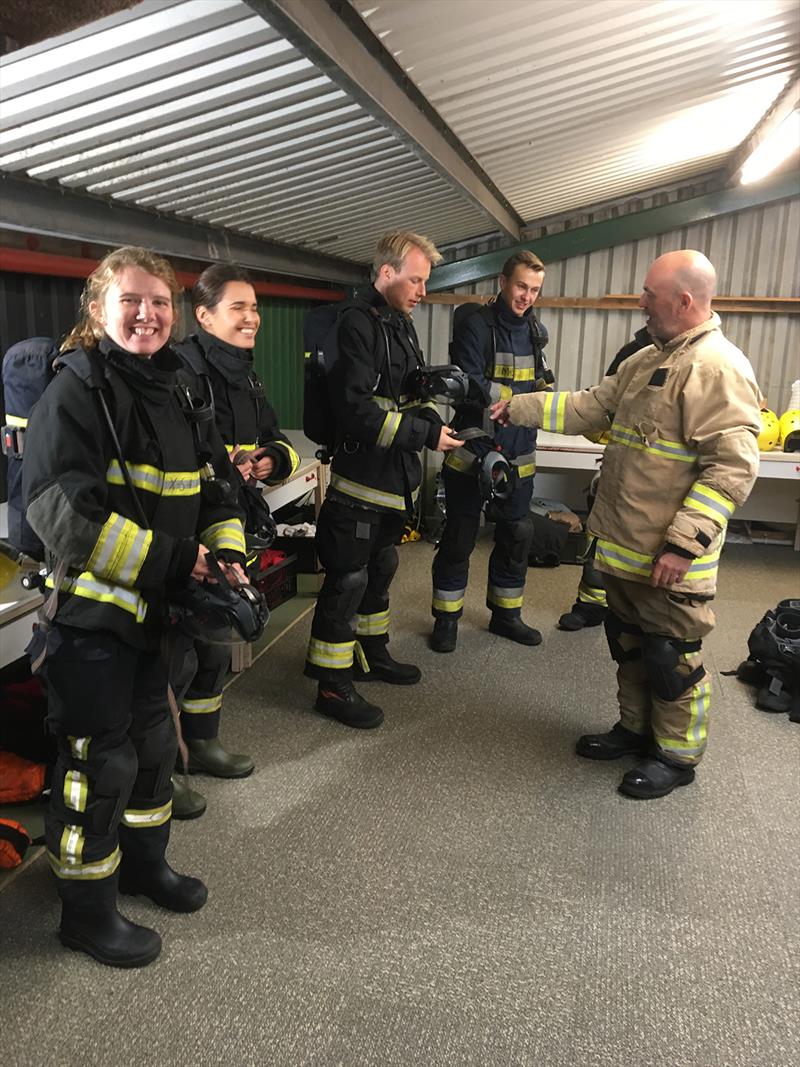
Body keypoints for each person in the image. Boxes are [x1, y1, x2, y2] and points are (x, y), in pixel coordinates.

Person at [22, 246, 247, 966]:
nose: (147, 313)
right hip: (92, 624)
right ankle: (87, 910)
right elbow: (63, 519)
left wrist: (229, 551)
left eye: (160, 301)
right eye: (131, 300)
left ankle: (146, 867)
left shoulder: (178, 386)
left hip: (159, 618)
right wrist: (181, 561)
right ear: (98, 309)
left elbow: (214, 487)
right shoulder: (72, 394)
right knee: (99, 764)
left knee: (154, 754)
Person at [491, 250, 761, 799]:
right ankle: (635, 730)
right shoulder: (645, 362)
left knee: (671, 658)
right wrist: (517, 408)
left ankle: (675, 757)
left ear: (684, 301)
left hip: (670, 559)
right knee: (630, 645)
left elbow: (731, 466)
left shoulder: (716, 368)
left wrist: (684, 545)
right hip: (625, 550)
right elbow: (588, 408)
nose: (640, 303)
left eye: (649, 295)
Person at [304, 230, 463, 728]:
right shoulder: (356, 325)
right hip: (359, 481)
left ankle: (371, 655)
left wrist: (435, 425)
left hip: (393, 479)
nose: (422, 291)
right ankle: (331, 686)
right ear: (387, 272)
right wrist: (423, 436)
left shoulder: (399, 324)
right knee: (347, 580)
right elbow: (355, 410)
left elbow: (407, 394)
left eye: (425, 282)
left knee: (382, 567)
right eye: (415, 280)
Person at [174, 264, 300, 787]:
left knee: (215, 638)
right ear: (204, 314)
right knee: (178, 650)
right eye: (238, 308)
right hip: (188, 524)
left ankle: (203, 743)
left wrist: (270, 460)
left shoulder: (246, 374)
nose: (252, 318)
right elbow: (182, 453)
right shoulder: (180, 369)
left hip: (234, 517)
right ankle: (167, 761)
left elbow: (276, 439)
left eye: (254, 308)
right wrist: (231, 461)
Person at [430, 250, 548, 653]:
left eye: (534, 290)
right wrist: (521, 401)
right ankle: (446, 620)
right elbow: (470, 382)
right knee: (460, 536)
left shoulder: (536, 330)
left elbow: (539, 382)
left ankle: (506, 616)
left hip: (520, 452)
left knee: (517, 534)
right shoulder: (476, 326)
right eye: (520, 286)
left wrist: (544, 400)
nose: (526, 296)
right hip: (474, 448)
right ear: (502, 282)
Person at [558, 326, 651, 632]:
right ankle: (590, 606)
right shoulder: (632, 353)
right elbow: (601, 413)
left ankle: (638, 613)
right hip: (616, 476)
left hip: (659, 487)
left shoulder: (697, 360)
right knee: (599, 543)